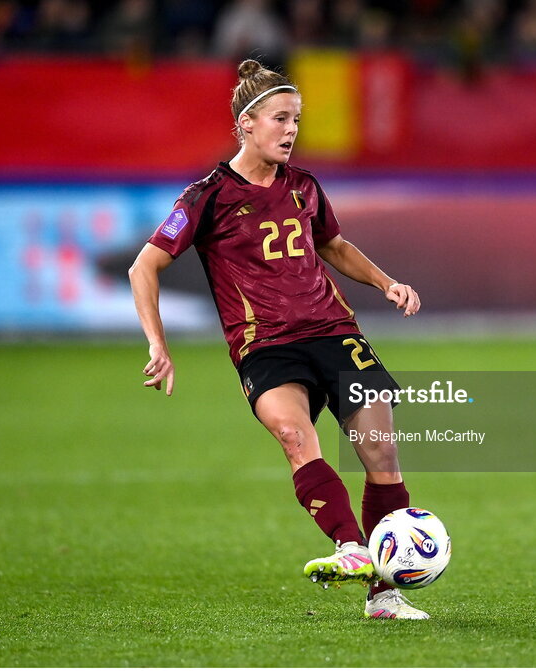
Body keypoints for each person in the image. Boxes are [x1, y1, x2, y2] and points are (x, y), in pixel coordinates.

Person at [127, 59, 428, 620]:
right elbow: (144, 267)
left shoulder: (305, 188)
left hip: (335, 334)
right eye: (280, 119)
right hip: (265, 345)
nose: (291, 130)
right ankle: (350, 547)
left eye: (297, 120)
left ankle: (383, 596)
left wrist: (387, 283)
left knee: (382, 455)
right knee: (295, 436)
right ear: (247, 124)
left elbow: (334, 246)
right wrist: (157, 344)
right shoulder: (206, 196)